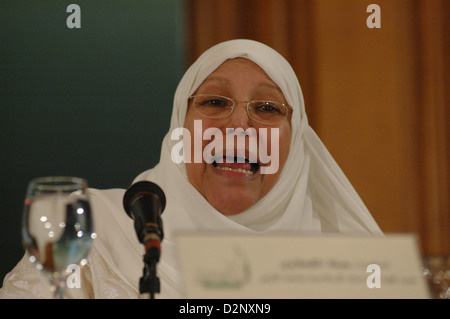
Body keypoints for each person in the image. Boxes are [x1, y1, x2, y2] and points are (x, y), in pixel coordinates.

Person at [0, 39, 382, 299]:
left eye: (267, 108)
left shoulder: (351, 269)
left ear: (296, 143)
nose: (238, 126)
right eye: (215, 101)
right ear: (179, 130)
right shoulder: (94, 230)